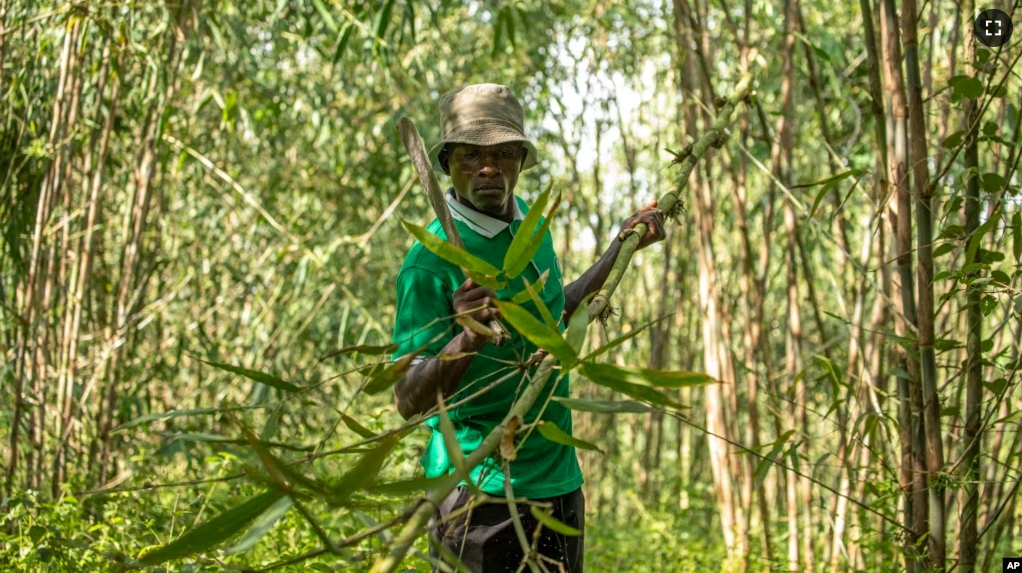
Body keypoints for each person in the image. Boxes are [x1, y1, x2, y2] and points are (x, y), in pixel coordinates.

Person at [391, 83, 665, 573]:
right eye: (471, 155)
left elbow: (554, 315)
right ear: (448, 162)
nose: (488, 168)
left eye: (502, 153)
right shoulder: (427, 263)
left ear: (521, 157)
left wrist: (620, 247)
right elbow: (408, 400)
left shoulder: (532, 228)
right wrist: (468, 336)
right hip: (476, 491)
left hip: (557, 483)